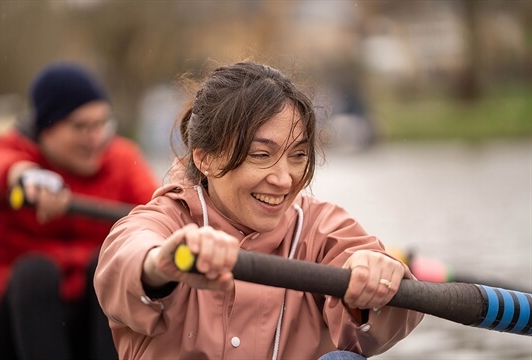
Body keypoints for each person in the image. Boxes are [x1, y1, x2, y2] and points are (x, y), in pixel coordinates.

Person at [94, 62, 423, 359]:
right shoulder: (164, 219)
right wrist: (159, 267)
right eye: (261, 155)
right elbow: (125, 257)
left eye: (297, 156)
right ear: (204, 158)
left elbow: (384, 322)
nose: (284, 180)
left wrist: (376, 280)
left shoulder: (324, 226)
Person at [0, 62, 159, 359]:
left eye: (102, 124)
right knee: (36, 272)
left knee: (107, 264)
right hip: (15, 336)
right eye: (81, 127)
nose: (96, 138)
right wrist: (23, 176)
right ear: (45, 127)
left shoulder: (122, 160)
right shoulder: (7, 154)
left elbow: (162, 213)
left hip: (90, 332)